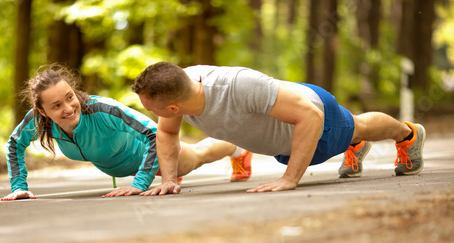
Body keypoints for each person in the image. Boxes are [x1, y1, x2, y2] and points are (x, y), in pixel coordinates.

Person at [131, 62, 425, 195]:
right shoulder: (180, 88)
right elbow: (168, 134)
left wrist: (290, 179)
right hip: (285, 132)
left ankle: (407, 135)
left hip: (315, 115)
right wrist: (169, 179)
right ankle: (355, 145)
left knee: (357, 126)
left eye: (149, 108)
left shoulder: (237, 86)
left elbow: (309, 116)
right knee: (350, 132)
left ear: (172, 108)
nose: (150, 113)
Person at [1, 65, 252, 201]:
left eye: (70, 97)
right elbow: (14, 143)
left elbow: (155, 133)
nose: (68, 108)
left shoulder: (102, 109)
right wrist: (19, 186)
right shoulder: (37, 122)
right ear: (43, 111)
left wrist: (140, 184)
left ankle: (238, 149)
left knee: (197, 157)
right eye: (56, 106)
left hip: (150, 156)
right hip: (126, 165)